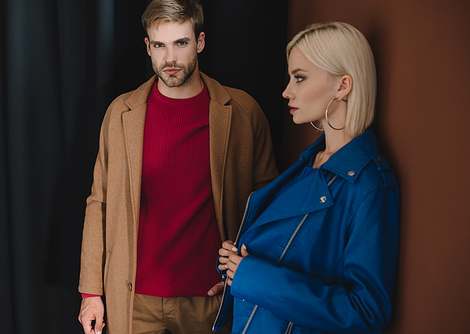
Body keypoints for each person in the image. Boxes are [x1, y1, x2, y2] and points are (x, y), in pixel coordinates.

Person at [77, 0, 279, 333]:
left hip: (211, 294)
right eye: (160, 45)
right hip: (132, 295)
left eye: (181, 43)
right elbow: (99, 202)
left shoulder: (242, 112)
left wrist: (246, 273)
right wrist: (91, 292)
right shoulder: (121, 114)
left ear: (199, 42)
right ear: (148, 47)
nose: (170, 58)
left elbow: (269, 204)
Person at [215, 22, 400, 334]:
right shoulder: (310, 162)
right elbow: (292, 256)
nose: (287, 91)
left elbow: (366, 314)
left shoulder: (370, 185)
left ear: (342, 86)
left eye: (299, 78)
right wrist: (237, 269)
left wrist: (253, 277)